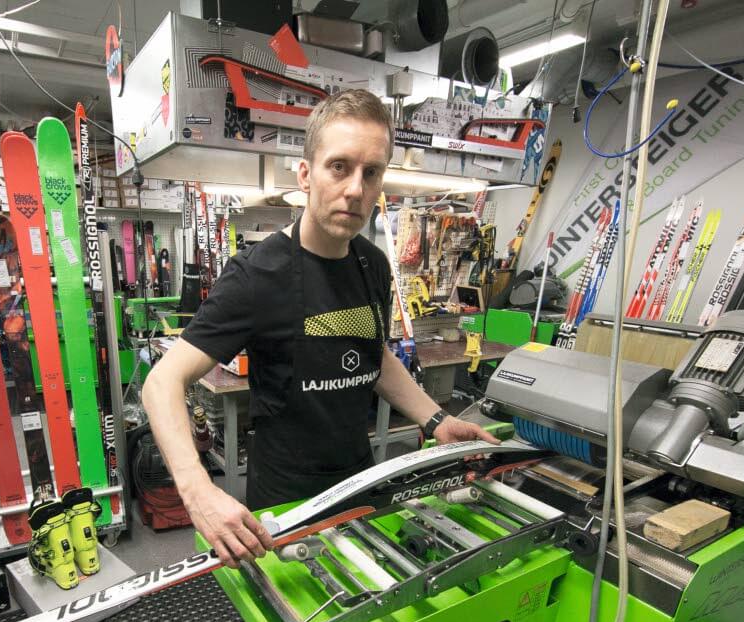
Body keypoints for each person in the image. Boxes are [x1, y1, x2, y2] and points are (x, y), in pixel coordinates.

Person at [142, 89, 496, 567]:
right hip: (285, 501)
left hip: (359, 482)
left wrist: (437, 420)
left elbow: (373, 356)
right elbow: (161, 381)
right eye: (339, 167)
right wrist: (199, 492)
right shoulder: (256, 274)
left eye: (371, 173)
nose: (355, 189)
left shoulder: (372, 265)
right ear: (306, 175)